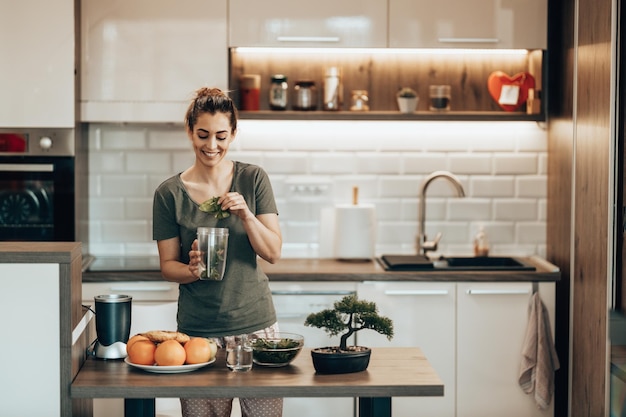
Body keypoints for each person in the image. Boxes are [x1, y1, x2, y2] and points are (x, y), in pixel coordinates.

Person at [152, 87, 283, 417]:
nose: (212, 146)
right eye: (203, 135)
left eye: (221, 136)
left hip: (256, 327)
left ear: (234, 134)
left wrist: (246, 215)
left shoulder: (253, 179)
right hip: (199, 333)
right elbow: (168, 266)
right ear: (190, 132)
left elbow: (273, 252)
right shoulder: (169, 194)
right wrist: (192, 269)